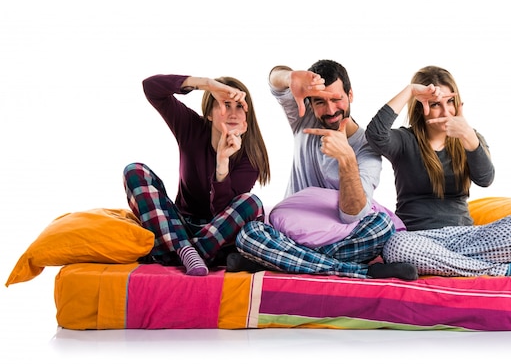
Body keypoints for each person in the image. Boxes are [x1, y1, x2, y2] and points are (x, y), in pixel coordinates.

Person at [231, 60, 417, 280]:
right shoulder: (303, 117)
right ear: (309, 102)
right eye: (320, 101)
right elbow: (275, 80)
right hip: (288, 234)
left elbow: (352, 215)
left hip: (340, 240)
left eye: (337, 99)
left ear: (350, 94)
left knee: (382, 227)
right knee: (249, 234)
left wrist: (347, 160)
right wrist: (290, 77)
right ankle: (361, 271)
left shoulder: (367, 148)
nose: (330, 110)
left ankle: (280, 261)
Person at [365, 65, 511, 277]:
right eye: (435, 104)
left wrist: (469, 139)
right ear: (420, 107)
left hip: (466, 236)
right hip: (419, 238)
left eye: (450, 102)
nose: (445, 112)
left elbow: (485, 179)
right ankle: (500, 269)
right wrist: (410, 91)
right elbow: (375, 134)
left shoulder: (469, 137)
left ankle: (452, 264)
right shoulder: (405, 140)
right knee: (396, 247)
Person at [123, 73, 270, 276]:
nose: (233, 113)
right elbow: (151, 87)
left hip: (216, 235)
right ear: (209, 114)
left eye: (239, 107)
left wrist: (222, 162)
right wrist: (207, 84)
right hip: (178, 225)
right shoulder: (191, 126)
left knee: (251, 202)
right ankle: (186, 251)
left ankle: (178, 253)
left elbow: (222, 211)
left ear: (247, 117)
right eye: (225, 104)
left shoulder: (252, 155)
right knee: (135, 171)